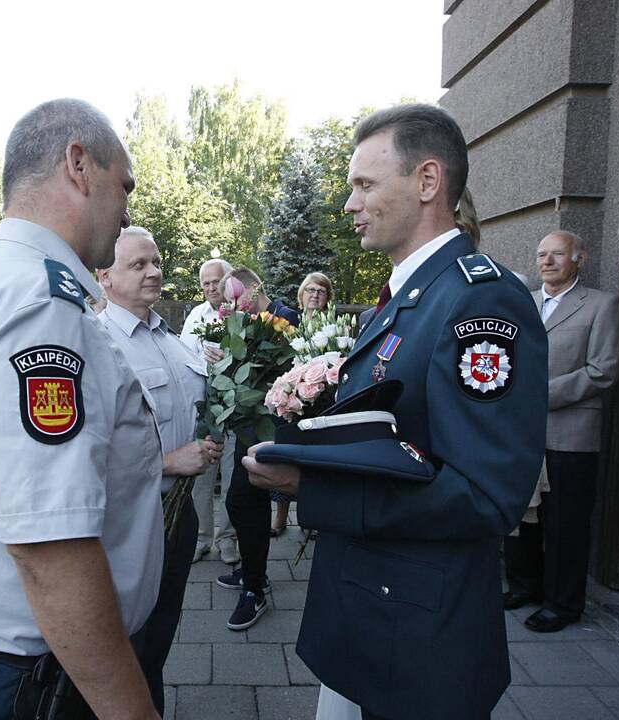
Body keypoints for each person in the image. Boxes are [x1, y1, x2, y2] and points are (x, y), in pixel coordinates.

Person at [243, 104, 548, 719]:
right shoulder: (414, 294)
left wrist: (313, 486)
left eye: (364, 185)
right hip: (377, 610)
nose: (350, 204)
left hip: (418, 634)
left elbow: (487, 494)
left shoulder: (477, 298)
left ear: (428, 182)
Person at [0, 98, 163, 720]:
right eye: (123, 184)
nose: (127, 206)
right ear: (79, 165)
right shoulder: (39, 302)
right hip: (36, 677)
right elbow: (50, 544)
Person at [96, 226, 221, 713]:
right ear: (104, 276)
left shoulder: (172, 339)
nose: (154, 272)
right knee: (128, 644)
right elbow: (88, 452)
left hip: (178, 513)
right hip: (130, 522)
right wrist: (167, 462)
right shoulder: (97, 345)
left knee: (159, 636)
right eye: (138, 264)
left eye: (156, 261)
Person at [504, 230, 619, 633]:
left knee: (565, 523)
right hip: (523, 432)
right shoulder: (525, 304)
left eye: (557, 254)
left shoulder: (602, 305)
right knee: (523, 515)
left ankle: (563, 603)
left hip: (570, 434)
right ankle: (524, 586)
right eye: (542, 255)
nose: (548, 262)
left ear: (579, 258)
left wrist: (538, 395)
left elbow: (602, 370)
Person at [215, 267, 298, 631]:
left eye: (236, 297)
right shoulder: (249, 321)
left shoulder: (285, 319)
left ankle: (255, 587)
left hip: (269, 427)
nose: (234, 306)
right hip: (248, 425)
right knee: (244, 501)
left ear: (253, 287)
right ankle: (254, 573)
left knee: (243, 499)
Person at [180, 258, 239, 564]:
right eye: (205, 283)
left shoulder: (244, 311)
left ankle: (227, 538)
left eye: (216, 281)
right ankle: (202, 537)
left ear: (229, 279)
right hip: (205, 408)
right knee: (202, 475)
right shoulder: (195, 316)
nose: (211, 287)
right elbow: (183, 357)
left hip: (237, 407)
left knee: (231, 475)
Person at [268, 271, 335, 537]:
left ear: (327, 297)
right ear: (301, 295)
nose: (315, 295)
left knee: (313, 464)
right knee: (285, 458)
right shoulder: (289, 326)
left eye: (320, 291)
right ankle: (280, 518)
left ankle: (311, 519)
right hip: (291, 402)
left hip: (321, 404)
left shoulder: (334, 327)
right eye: (310, 290)